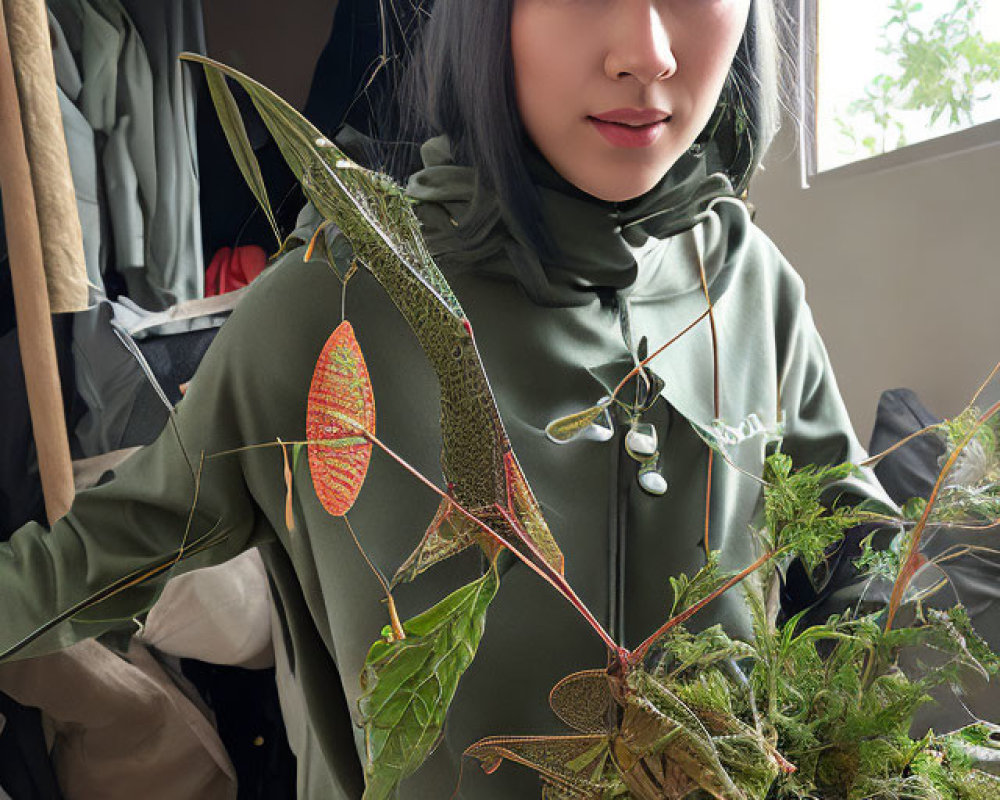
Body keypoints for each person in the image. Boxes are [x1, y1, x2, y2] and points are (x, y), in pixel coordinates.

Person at [0, 0, 895, 797]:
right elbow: (86, 566)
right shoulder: (332, 305)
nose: (647, 51)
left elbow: (869, 559)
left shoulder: (749, 284)